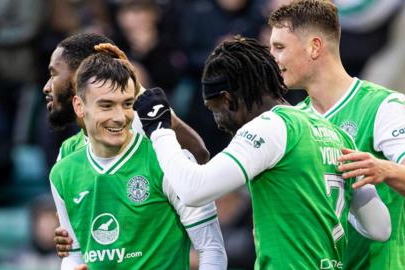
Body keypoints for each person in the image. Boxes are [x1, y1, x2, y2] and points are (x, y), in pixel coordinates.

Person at [134, 36, 390, 269]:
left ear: (229, 99)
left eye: (215, 109)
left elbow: (193, 190)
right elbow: (380, 227)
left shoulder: (270, 128)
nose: (218, 122)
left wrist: (158, 129)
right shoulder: (336, 134)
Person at [267, 1, 405, 269]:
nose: (273, 58)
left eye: (280, 47)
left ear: (314, 47)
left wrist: (384, 169)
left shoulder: (383, 106)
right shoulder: (293, 122)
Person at [49, 52, 227, 269]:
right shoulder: (62, 171)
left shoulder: (168, 161)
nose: (119, 116)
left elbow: (212, 251)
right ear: (79, 106)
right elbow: (73, 255)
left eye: (127, 104)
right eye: (106, 105)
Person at [43, 32, 209, 163]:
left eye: (54, 74)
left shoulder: (140, 125)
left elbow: (199, 157)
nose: (46, 87)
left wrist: (138, 90)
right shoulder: (67, 152)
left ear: (82, 71)